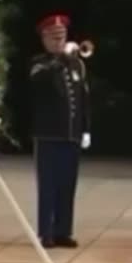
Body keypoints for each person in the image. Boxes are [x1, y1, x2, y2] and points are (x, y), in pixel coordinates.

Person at [30, 13, 91, 248]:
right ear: (45, 39)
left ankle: (63, 230)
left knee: (68, 184)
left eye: (62, 37)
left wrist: (85, 129)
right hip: (48, 134)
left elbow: (83, 99)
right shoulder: (39, 63)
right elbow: (40, 81)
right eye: (54, 38)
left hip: (71, 135)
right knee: (48, 185)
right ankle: (46, 232)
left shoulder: (77, 64)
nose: (59, 41)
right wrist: (61, 58)